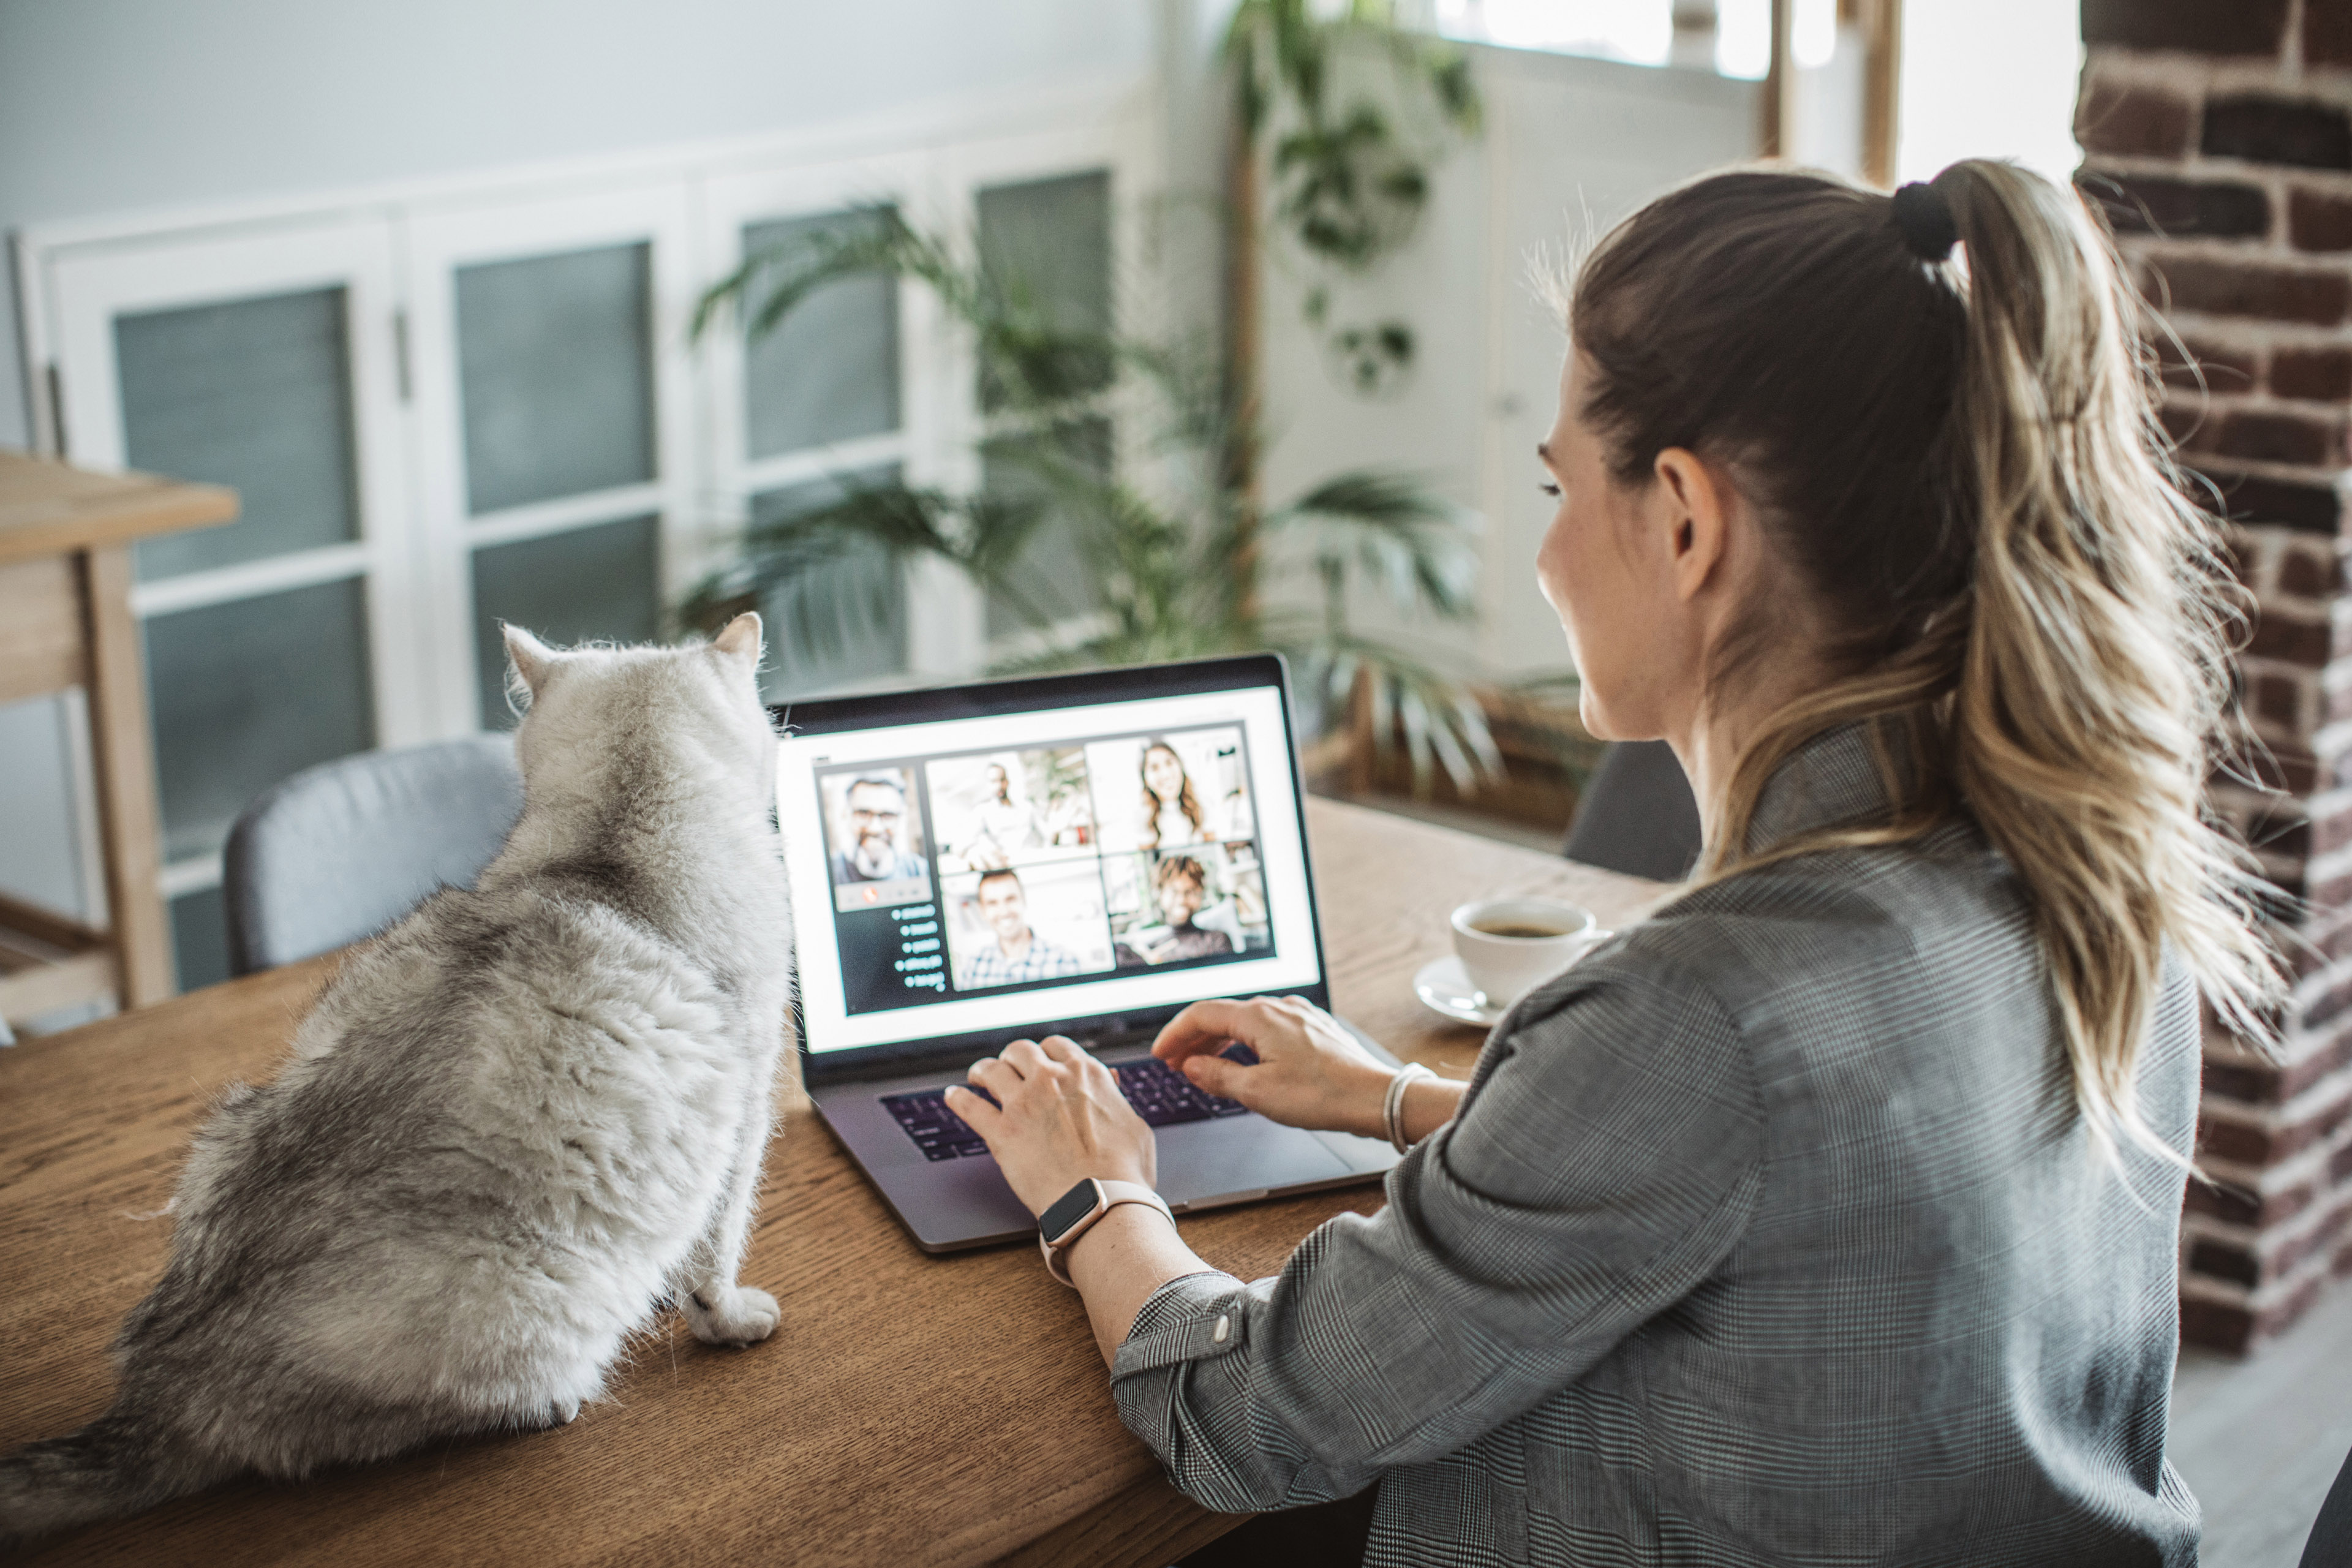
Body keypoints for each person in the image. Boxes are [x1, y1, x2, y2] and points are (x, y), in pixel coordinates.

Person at [943, 162, 2278, 1566]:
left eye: (1558, 483)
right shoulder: (2093, 869)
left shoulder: (1702, 1007)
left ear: (1687, 521)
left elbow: (1246, 1414)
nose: (1545, 550)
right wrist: (1397, 1097)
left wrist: (1098, 1185)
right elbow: (1808, 1192)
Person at [955, 868, 1086, 989]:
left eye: (1010, 899)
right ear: (982, 911)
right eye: (992, 903)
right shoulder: (973, 968)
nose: (1004, 912)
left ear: (1024, 900)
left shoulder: (1063, 961)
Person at [1117, 855, 1235, 967]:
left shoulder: (1216, 940)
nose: (1181, 900)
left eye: (1190, 891)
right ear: (1159, 894)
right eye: (1174, 892)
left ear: (1200, 894)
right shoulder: (1148, 951)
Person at [828, 774, 926, 885]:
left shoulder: (920, 871)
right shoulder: (829, 872)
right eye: (863, 813)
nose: (875, 828)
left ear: (901, 819)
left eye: (887, 815)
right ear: (847, 816)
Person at [956, 761, 1042, 870]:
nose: (999, 786)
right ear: (988, 784)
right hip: (1006, 868)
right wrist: (974, 852)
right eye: (993, 781)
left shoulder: (1027, 807)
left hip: (1033, 863)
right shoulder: (983, 811)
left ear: (1007, 782)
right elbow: (960, 846)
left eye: (1002, 780)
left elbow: (1049, 836)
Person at [1137, 739, 1209, 849]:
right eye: (1154, 768)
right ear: (1145, 779)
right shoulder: (1143, 820)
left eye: (1169, 763)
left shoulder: (1203, 805)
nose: (1165, 775)